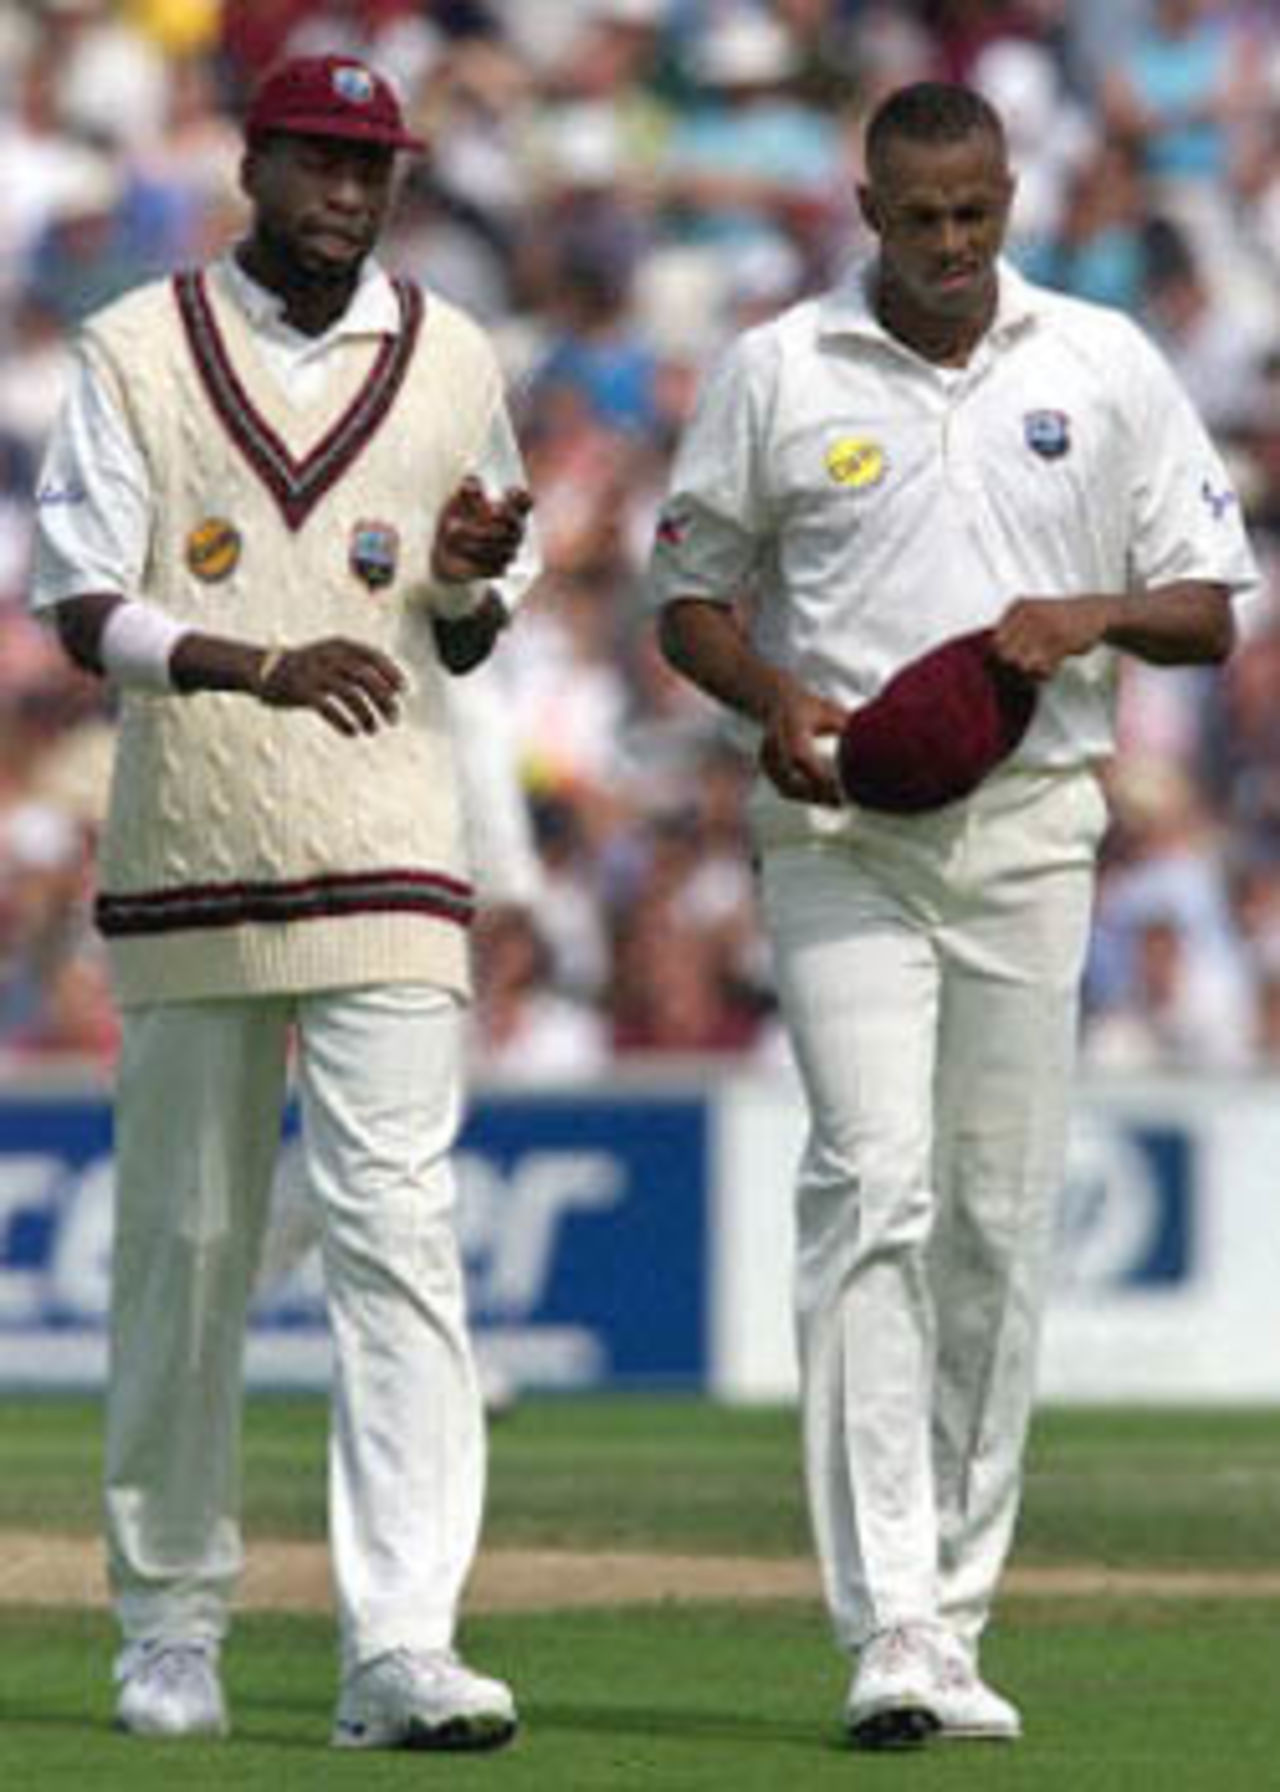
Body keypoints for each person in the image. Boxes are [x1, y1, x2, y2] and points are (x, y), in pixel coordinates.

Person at [648, 80, 1257, 1750]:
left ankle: (959, 1612)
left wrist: (1097, 614)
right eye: (916, 218)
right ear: (864, 211)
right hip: (837, 825)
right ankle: (891, 1625)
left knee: (994, 1221)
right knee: (873, 1188)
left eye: (974, 213)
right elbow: (686, 597)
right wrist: (770, 698)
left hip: (1035, 831)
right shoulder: (780, 367)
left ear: (1011, 197)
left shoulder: (1102, 361)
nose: (948, 245)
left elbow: (1210, 608)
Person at [29, 53, 538, 1751]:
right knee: (185, 1249)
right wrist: (250, 659)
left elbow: (473, 616)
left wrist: (465, 576)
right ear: (252, 164)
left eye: (373, 165)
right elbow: (77, 607)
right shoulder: (133, 346)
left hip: (397, 846)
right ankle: (169, 1620)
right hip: (190, 854)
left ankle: (403, 1640)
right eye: (318, 160)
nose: (347, 191)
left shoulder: (456, 354)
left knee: (400, 1234)